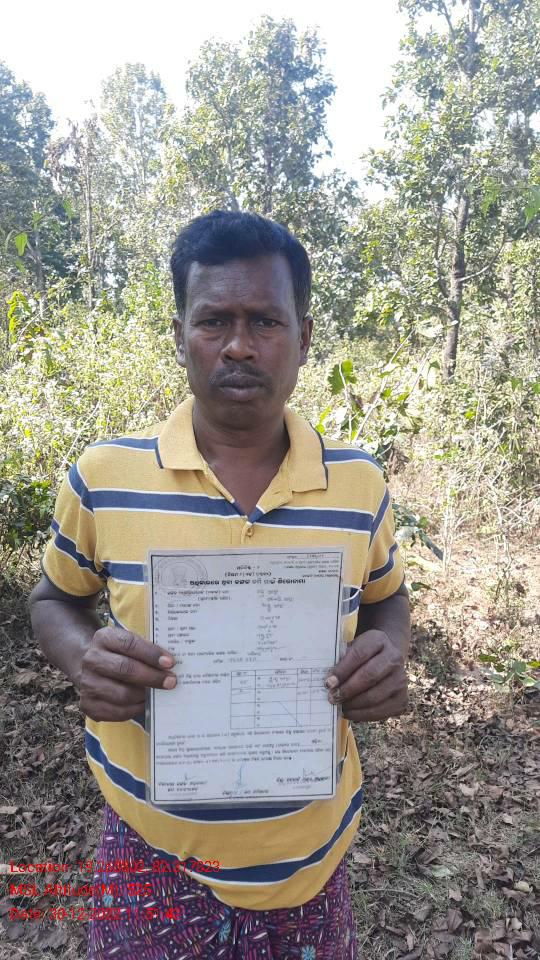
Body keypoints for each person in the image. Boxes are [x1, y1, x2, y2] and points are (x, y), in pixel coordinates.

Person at [29, 210, 410, 960]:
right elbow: (54, 598)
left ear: (304, 336)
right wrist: (82, 658)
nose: (239, 345)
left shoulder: (359, 485)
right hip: (149, 855)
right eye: (213, 321)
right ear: (180, 335)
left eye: (265, 320)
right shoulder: (105, 477)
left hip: (309, 866)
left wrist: (388, 650)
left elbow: (385, 597)